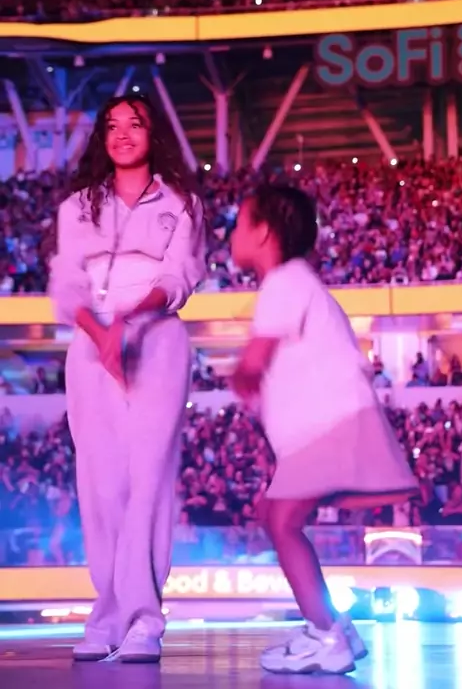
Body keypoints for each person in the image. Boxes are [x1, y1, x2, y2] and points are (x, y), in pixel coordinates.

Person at [230, 185, 417, 676]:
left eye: (239, 223)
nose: (231, 234)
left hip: (331, 424)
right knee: (277, 516)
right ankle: (331, 627)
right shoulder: (296, 282)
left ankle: (326, 633)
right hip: (324, 426)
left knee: (281, 522)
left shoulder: (284, 281)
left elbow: (254, 361)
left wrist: (238, 375)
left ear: (264, 233)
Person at [49, 95, 205, 664]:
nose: (122, 134)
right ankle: (108, 614)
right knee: (100, 483)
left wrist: (129, 322)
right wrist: (100, 332)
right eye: (112, 126)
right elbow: (67, 282)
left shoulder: (181, 203)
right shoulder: (77, 207)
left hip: (156, 341)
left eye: (134, 124)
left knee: (149, 480)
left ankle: (145, 619)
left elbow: (179, 275)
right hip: (91, 348)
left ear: (152, 133)